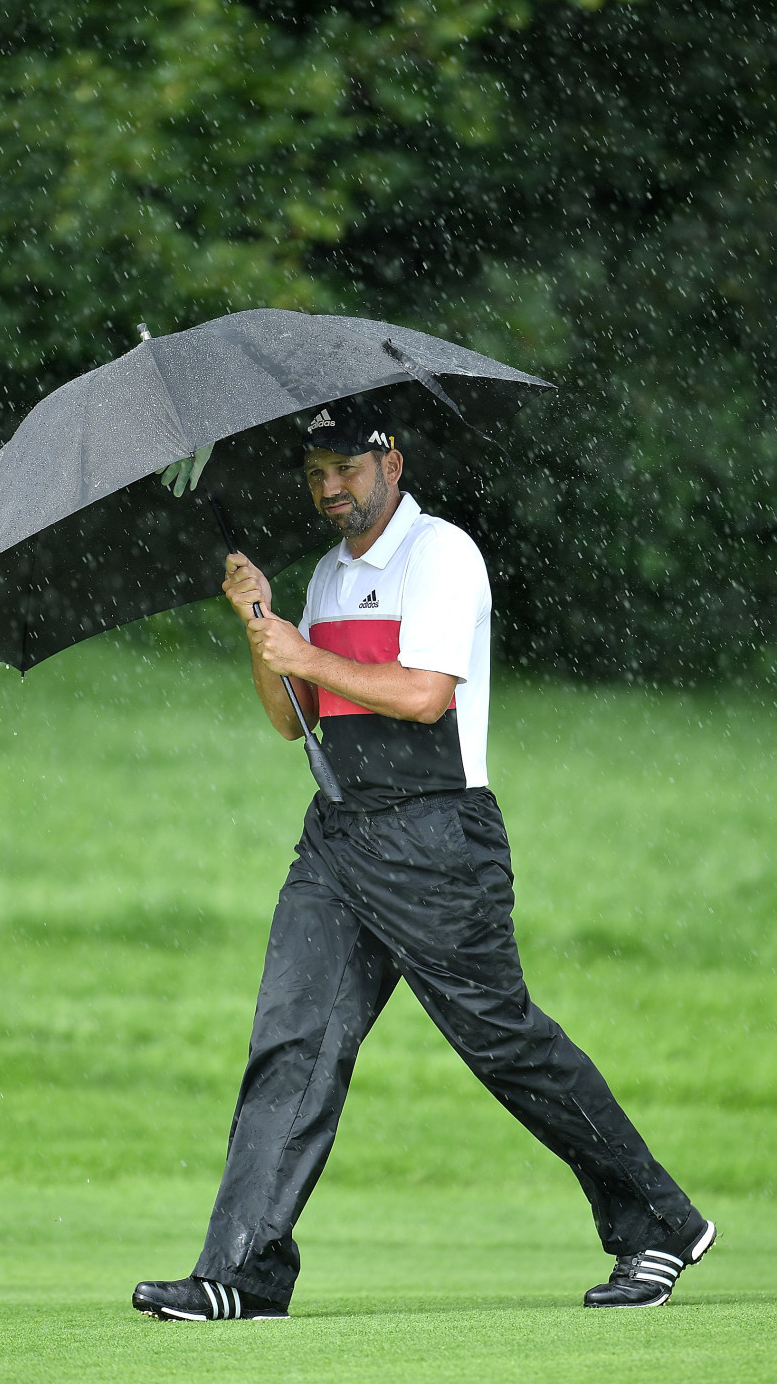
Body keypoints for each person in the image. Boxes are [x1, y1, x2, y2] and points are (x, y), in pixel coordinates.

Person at [132, 405, 715, 1321]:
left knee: (505, 1042)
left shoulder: (443, 554)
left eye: (347, 466)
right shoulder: (325, 576)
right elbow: (296, 718)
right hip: (338, 835)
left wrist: (305, 649)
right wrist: (262, 628)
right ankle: (241, 1269)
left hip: (439, 837)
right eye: (316, 468)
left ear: (391, 461)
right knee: (294, 1042)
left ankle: (660, 1222)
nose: (331, 486)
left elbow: (424, 695)